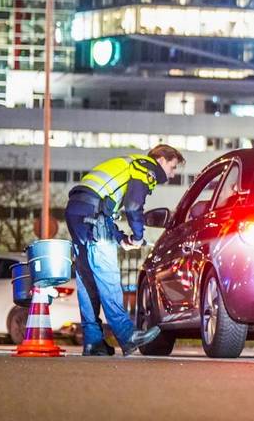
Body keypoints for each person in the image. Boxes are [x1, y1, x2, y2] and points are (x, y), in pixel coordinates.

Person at [63, 144, 184, 356]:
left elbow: (104, 208)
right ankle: (128, 335)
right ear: (161, 160)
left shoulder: (125, 164)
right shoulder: (144, 167)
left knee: (87, 281)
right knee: (107, 275)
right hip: (93, 216)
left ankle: (93, 342)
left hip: (78, 212)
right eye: (172, 167)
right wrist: (137, 236)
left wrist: (121, 239)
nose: (172, 174)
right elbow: (133, 205)